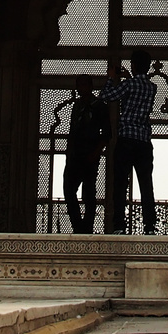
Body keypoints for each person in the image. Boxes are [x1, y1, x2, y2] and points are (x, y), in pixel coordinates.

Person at [100, 48, 158, 235]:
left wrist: (111, 78)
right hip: (143, 141)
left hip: (126, 140)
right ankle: (149, 227)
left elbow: (106, 96)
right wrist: (127, 77)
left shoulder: (129, 85)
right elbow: (136, 86)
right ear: (148, 66)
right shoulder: (151, 87)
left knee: (120, 184)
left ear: (133, 65)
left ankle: (119, 226)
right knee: (146, 184)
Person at [62, 74, 108, 233]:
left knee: (88, 193)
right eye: (78, 85)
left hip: (90, 155)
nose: (80, 88)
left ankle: (87, 227)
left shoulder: (99, 106)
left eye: (83, 85)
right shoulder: (77, 106)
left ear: (90, 86)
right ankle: (78, 225)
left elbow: (107, 134)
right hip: (75, 156)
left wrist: (96, 152)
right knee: (69, 190)